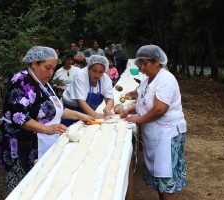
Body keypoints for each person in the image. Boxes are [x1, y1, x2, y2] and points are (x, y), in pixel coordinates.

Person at [0, 46, 94, 194]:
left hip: (37, 141)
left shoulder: (44, 82)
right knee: (23, 188)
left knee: (40, 184)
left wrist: (81, 116)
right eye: (47, 67)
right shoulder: (21, 81)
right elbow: (18, 117)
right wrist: (47, 129)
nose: (51, 72)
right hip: (18, 144)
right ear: (34, 63)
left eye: (54, 68)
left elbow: (56, 109)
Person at [120, 45, 187, 200]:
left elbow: (159, 109)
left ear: (157, 61)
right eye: (140, 64)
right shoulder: (147, 80)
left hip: (167, 135)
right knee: (159, 177)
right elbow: (142, 99)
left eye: (144, 63)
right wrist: (129, 109)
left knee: (167, 179)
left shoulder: (166, 79)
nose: (142, 68)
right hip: (155, 135)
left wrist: (139, 119)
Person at [62, 55, 114, 126]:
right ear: (89, 68)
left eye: (100, 72)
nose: (97, 75)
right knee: (71, 130)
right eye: (94, 71)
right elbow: (80, 101)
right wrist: (95, 115)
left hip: (88, 110)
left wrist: (108, 108)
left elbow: (110, 98)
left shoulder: (106, 79)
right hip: (71, 109)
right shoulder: (80, 76)